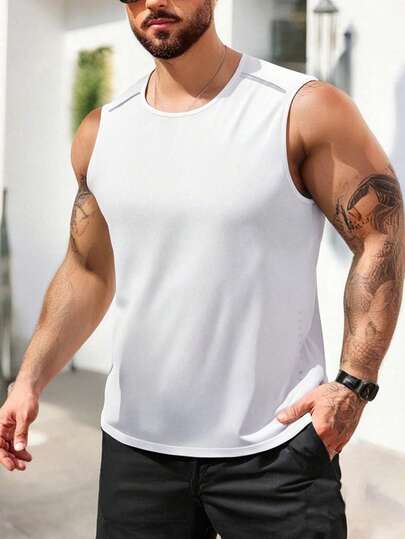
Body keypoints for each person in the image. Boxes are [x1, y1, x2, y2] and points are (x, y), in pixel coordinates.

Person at [1, 1, 404, 538]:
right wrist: (29, 380)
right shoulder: (103, 132)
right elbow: (88, 269)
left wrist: (354, 384)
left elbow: (381, 233)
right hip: (137, 454)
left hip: (275, 451)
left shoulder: (299, 108)